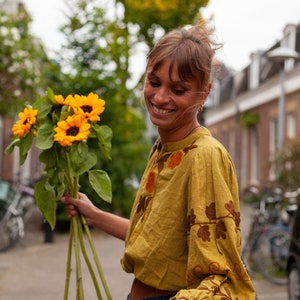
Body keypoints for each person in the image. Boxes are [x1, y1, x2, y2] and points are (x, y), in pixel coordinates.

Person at [61, 21, 256, 299]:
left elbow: (219, 272)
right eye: (154, 83)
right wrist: (93, 215)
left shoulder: (204, 155)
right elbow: (155, 241)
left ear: (206, 92)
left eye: (178, 90)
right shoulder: (163, 148)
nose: (161, 97)